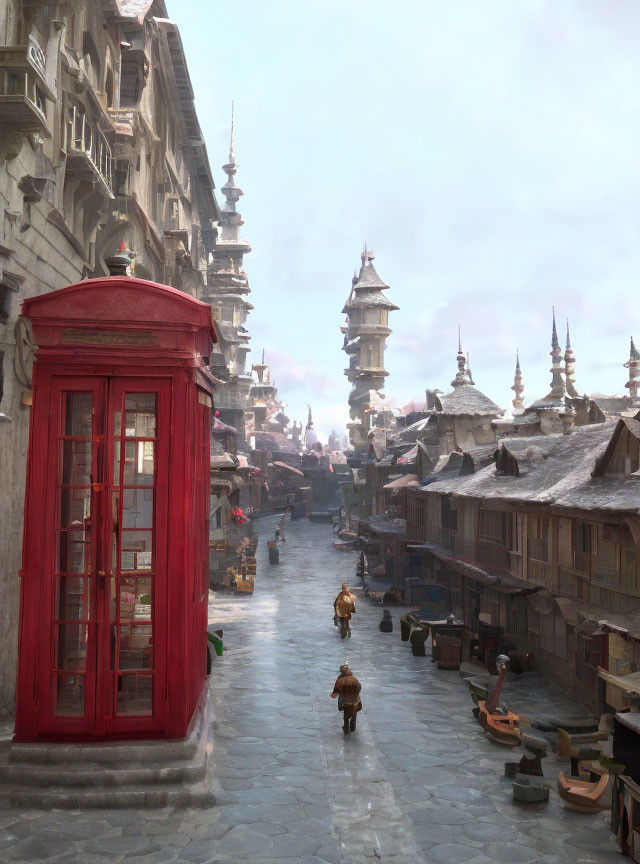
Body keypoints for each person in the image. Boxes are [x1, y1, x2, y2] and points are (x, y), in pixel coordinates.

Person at [330, 664, 362, 734]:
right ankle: (352, 727)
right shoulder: (354, 679)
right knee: (354, 714)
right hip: (355, 700)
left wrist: (333, 695)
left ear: (341, 672)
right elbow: (359, 688)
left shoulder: (340, 681)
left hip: (346, 701)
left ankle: (346, 729)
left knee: (346, 717)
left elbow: (335, 693)